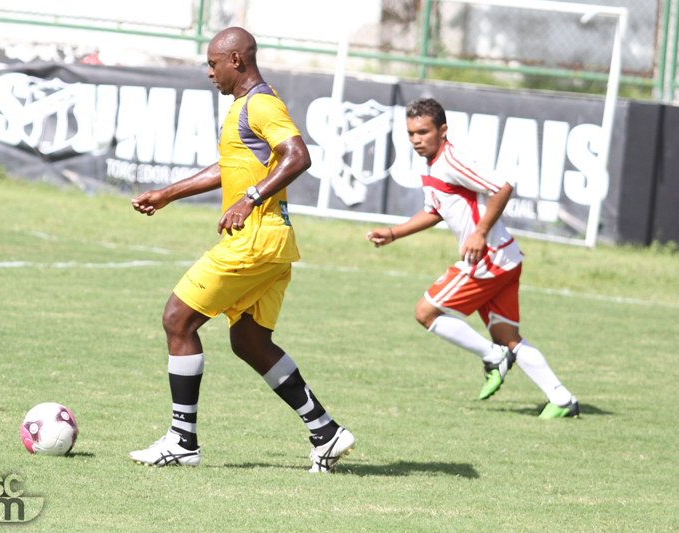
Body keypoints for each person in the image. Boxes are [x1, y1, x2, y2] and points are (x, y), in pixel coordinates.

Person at [129, 27, 355, 471]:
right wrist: (169, 194)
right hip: (274, 243)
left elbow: (298, 155)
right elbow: (227, 167)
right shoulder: (242, 109)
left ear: (235, 60)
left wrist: (249, 198)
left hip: (254, 238)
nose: (208, 72)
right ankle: (326, 433)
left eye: (213, 64)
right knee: (249, 340)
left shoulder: (261, 103)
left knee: (178, 319)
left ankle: (182, 441)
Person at [366, 98, 579, 419]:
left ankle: (493, 357)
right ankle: (562, 399)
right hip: (505, 257)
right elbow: (434, 212)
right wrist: (394, 233)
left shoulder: (451, 160)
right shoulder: (433, 165)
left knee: (426, 312)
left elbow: (502, 187)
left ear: (443, 130)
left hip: (488, 260)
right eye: (411, 133)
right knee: (508, 338)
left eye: (423, 132)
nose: (416, 139)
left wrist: (479, 232)